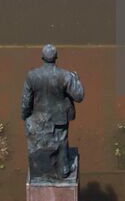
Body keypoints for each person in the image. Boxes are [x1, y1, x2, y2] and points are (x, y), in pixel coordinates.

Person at [20, 43, 84, 182]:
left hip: (38, 117)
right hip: (60, 116)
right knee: (61, 140)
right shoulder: (65, 75)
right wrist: (77, 79)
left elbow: (26, 100)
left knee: (40, 143)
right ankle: (63, 170)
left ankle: (40, 171)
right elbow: (79, 96)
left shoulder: (32, 76)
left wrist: (24, 115)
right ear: (56, 57)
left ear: (42, 57)